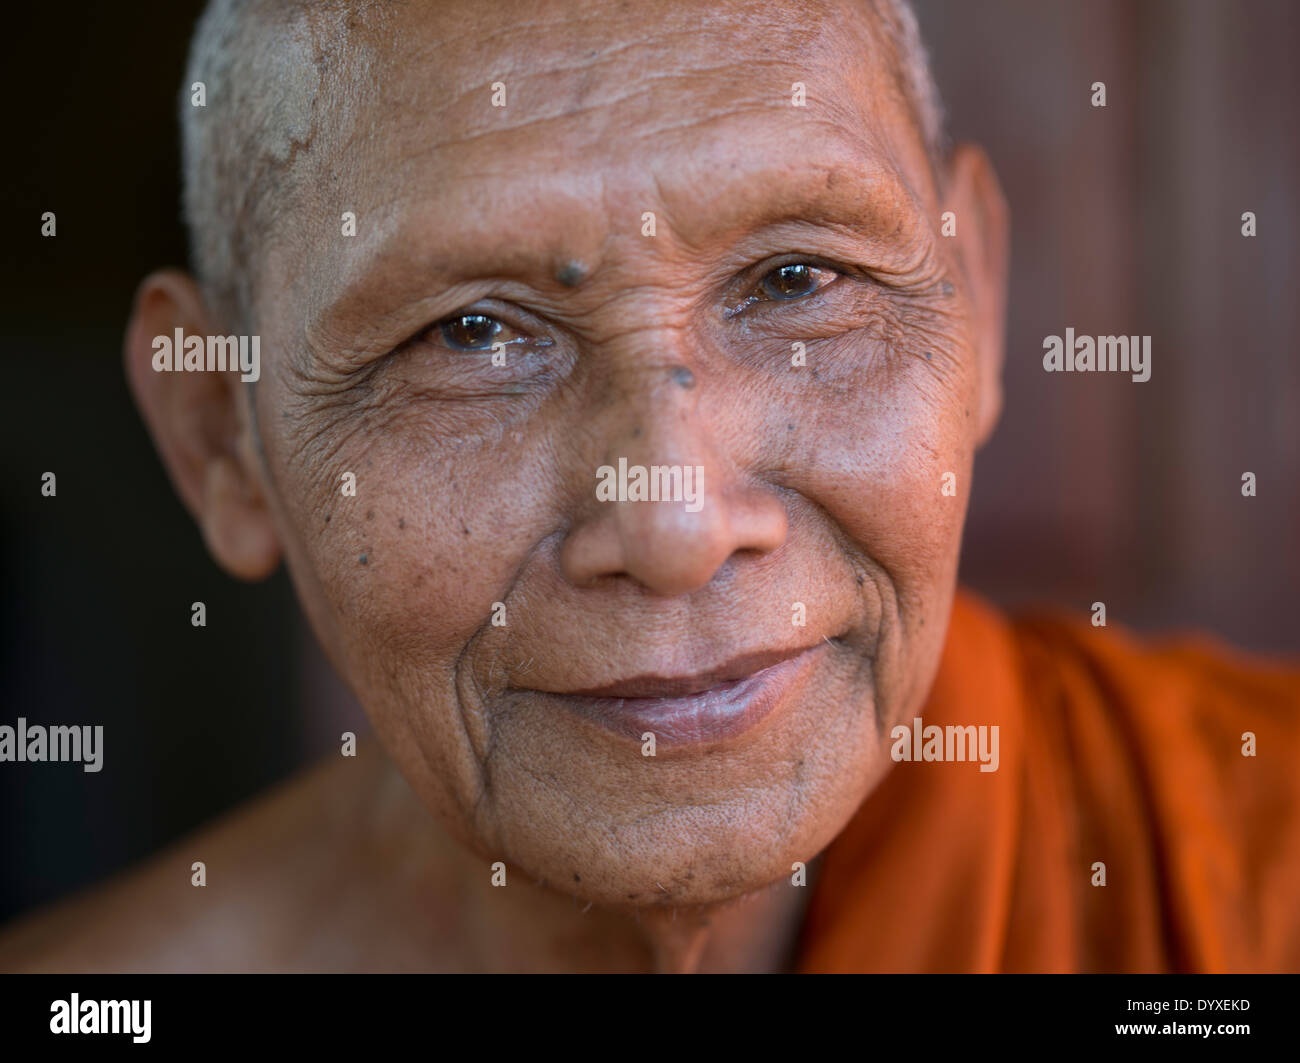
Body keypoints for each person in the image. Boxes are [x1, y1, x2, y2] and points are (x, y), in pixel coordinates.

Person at [1, 0, 1296, 973]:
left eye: (798, 279)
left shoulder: (1252, 869)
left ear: (980, 299)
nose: (675, 525)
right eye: (471, 334)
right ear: (220, 438)